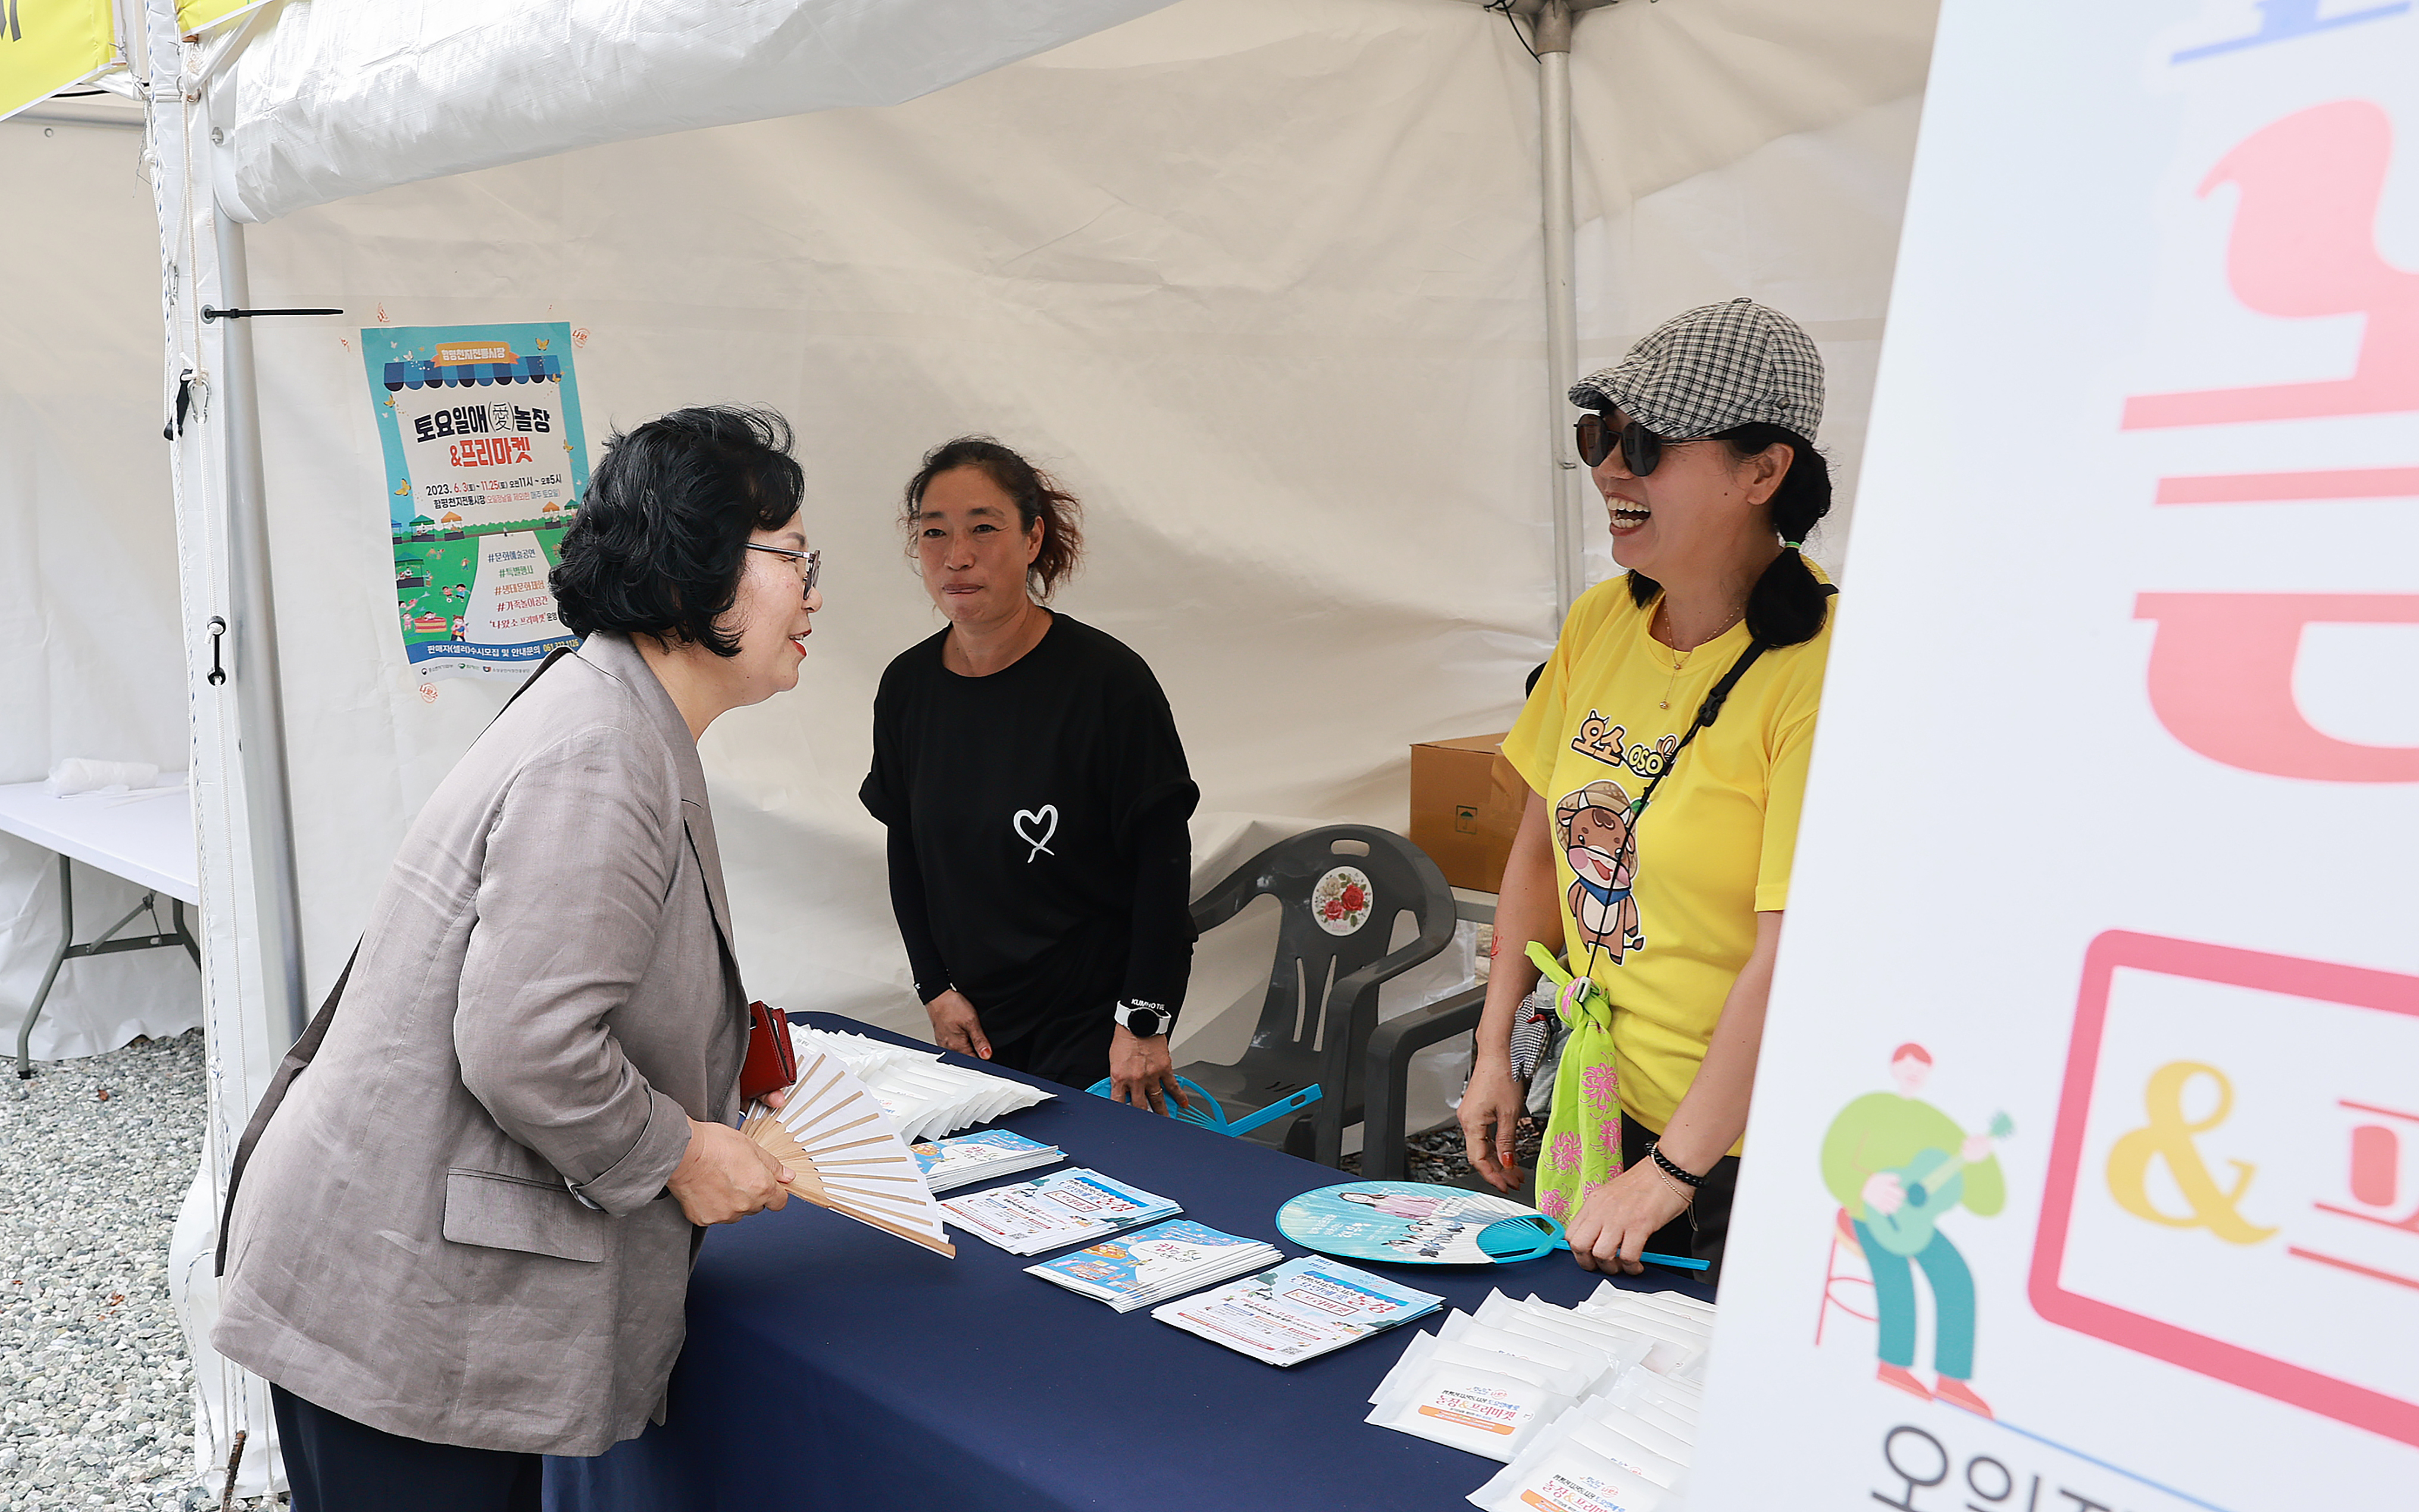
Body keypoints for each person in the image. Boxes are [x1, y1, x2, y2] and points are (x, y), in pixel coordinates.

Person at [211, 406, 823, 1510]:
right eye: (790, 557)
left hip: (405, 1280)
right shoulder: (601, 752)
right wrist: (684, 1151)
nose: (813, 592)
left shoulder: (613, 711)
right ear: (693, 574)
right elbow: (525, 1045)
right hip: (400, 1301)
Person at [1458, 298, 1839, 1285]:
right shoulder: (1598, 621)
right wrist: (1494, 1044)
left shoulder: (1827, 668)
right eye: (1599, 435)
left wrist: (1673, 1170)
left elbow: (1789, 953)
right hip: (1599, 1100)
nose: (1610, 469)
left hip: (1740, 1152)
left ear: (1763, 473)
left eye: (1649, 442)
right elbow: (1540, 845)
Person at [862, 437, 1197, 1106]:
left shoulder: (1107, 683)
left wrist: (1141, 1021)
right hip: (975, 1023)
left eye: (983, 529)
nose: (956, 556)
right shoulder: (907, 688)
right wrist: (935, 988)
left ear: (1033, 537)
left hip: (1092, 1025)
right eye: (934, 533)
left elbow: (1163, 862)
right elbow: (908, 849)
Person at [1821, 1044, 2006, 1416]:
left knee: (1956, 1277)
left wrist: (1977, 1161)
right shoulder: (1865, 1107)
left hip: (1916, 1223)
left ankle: (1953, 1381)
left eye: (1922, 1066)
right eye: (1907, 1064)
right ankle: (1893, 1367)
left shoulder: (1939, 1121)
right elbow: (1831, 1158)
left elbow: (1989, 1202)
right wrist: (1865, 1186)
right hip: (1866, 1215)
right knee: (1896, 1280)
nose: (1914, 1072)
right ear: (1892, 1065)